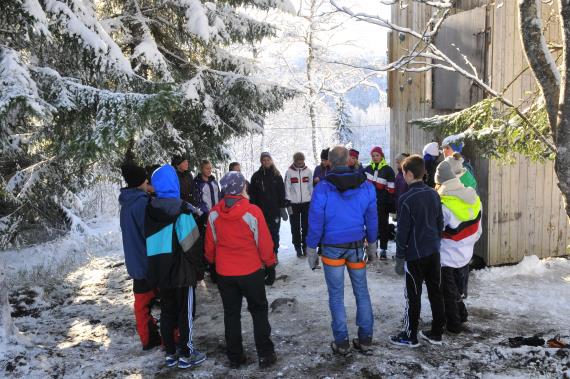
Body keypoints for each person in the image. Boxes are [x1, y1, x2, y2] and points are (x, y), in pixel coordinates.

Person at [306, 146, 378, 355]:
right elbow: (371, 218)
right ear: (348, 160)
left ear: (329, 162)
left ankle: (342, 342)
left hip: (332, 248)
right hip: (356, 245)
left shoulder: (323, 188)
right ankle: (365, 338)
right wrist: (372, 244)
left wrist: (311, 249)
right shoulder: (365, 186)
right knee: (362, 292)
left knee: (336, 295)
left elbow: (316, 221)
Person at [205, 172, 278, 369]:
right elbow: (263, 242)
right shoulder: (252, 212)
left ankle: (235, 356)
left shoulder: (214, 213)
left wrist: (211, 264)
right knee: (259, 311)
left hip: (225, 273)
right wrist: (270, 265)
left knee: (231, 314)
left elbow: (210, 244)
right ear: (240, 188)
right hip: (250, 271)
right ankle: (265, 354)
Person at [145, 164, 206, 369]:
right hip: (182, 271)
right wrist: (199, 270)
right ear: (174, 184)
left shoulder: (150, 211)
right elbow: (192, 245)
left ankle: (170, 352)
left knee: (167, 313)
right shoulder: (182, 210)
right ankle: (187, 353)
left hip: (161, 273)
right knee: (185, 313)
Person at [390, 155, 445, 348]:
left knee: (412, 297)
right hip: (433, 253)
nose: (402, 175)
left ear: (410, 174)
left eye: (403, 172)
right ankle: (437, 333)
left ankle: (409, 335)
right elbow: (440, 222)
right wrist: (435, 241)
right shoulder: (434, 194)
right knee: (435, 293)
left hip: (415, 256)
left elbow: (402, 232)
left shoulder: (406, 199)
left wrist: (399, 258)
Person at [435, 157, 482, 332]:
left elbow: (436, 233)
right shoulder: (473, 197)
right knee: (456, 290)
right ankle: (462, 314)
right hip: (466, 252)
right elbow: (478, 228)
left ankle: (454, 324)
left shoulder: (444, 204)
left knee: (448, 292)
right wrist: (468, 243)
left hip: (447, 256)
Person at [119, 164, 161, 351]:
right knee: (167, 303)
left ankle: (148, 340)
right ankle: (173, 340)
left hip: (135, 263)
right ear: (139, 182)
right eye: (145, 180)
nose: (148, 183)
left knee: (142, 307)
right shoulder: (143, 204)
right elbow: (151, 235)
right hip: (149, 263)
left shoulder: (126, 203)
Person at [249, 152, 287, 255]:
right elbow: (252, 194)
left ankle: (274, 252)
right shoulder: (256, 176)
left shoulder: (277, 175)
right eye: (264, 160)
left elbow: (281, 193)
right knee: (262, 234)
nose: (266, 162)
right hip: (261, 211)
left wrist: (282, 207)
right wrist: (253, 208)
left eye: (268, 160)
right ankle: (265, 254)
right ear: (261, 161)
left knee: (274, 233)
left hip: (274, 211)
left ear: (271, 160)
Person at [363, 146, 395, 260]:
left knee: (383, 226)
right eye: (373, 156)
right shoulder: (367, 169)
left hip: (383, 203)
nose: (375, 157)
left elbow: (391, 189)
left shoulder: (388, 169)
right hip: (369, 203)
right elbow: (363, 187)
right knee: (371, 226)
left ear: (382, 156)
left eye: (377, 155)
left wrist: (389, 201)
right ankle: (372, 248)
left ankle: (383, 249)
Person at [284, 152, 313, 257]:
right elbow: (287, 186)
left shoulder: (308, 171)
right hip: (293, 203)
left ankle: (305, 246)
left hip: (306, 202)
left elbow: (311, 186)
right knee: (295, 226)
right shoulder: (289, 172)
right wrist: (287, 199)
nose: (300, 164)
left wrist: (312, 198)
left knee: (306, 226)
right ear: (295, 161)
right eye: (298, 162)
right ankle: (297, 247)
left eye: (302, 162)